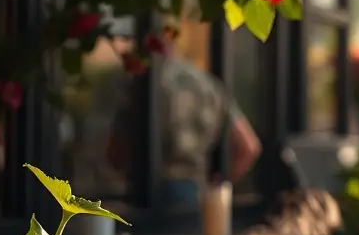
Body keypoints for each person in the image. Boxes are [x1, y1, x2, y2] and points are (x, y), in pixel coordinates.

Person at [107, 49, 261, 207]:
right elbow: (248, 147)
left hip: (147, 195)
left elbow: (115, 153)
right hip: (194, 196)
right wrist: (217, 188)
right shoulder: (208, 84)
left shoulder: (140, 84)